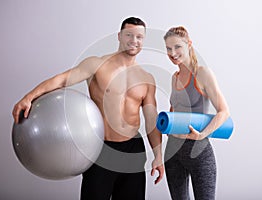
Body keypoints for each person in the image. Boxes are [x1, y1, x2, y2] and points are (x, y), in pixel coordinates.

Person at [12, 17, 164, 200]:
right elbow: (61, 80)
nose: (134, 40)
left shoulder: (146, 78)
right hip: (101, 148)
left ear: (144, 40)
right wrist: (28, 97)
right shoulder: (97, 65)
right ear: (119, 36)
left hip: (133, 149)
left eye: (139, 37)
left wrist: (158, 155)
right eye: (129, 35)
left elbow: (150, 120)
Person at [163, 26, 230, 200]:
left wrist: (203, 135)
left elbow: (224, 111)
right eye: (168, 49)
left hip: (198, 151)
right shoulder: (174, 77)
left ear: (189, 44)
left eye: (177, 47)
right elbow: (174, 111)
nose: (173, 53)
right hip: (172, 151)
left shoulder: (202, 74)